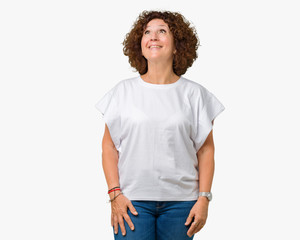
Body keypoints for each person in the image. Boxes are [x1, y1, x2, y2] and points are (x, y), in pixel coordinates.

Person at [95, 10, 225, 240]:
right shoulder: (122, 92)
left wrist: (204, 198)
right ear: (140, 44)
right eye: (147, 32)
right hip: (132, 202)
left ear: (177, 46)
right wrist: (115, 195)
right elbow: (108, 147)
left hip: (182, 204)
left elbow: (205, 150)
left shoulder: (195, 95)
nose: (153, 36)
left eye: (162, 32)